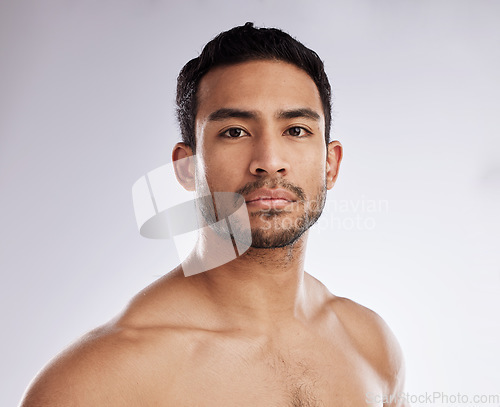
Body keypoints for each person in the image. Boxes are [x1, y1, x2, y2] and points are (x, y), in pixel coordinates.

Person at [20, 23, 408, 406]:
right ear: (188, 167)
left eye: (296, 130)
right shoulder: (102, 382)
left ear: (330, 164)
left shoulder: (370, 344)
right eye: (235, 132)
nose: (269, 162)